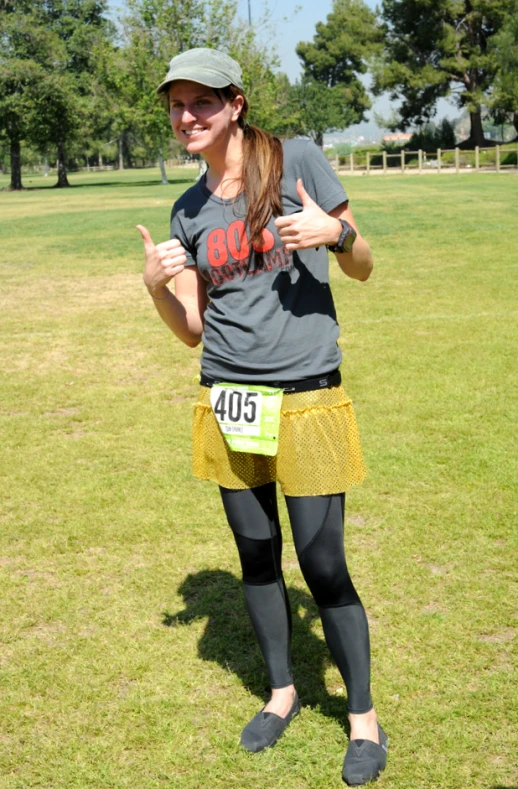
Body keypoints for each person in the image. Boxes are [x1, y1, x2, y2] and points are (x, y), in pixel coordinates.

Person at [137, 48, 388, 786]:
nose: (187, 117)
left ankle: (363, 718)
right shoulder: (188, 209)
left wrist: (337, 236)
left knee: (323, 562)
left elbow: (365, 262)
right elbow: (193, 328)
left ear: (235, 103)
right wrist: (156, 287)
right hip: (230, 398)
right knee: (255, 554)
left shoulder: (298, 160)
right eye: (177, 105)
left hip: (307, 392)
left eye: (202, 102)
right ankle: (282, 693)